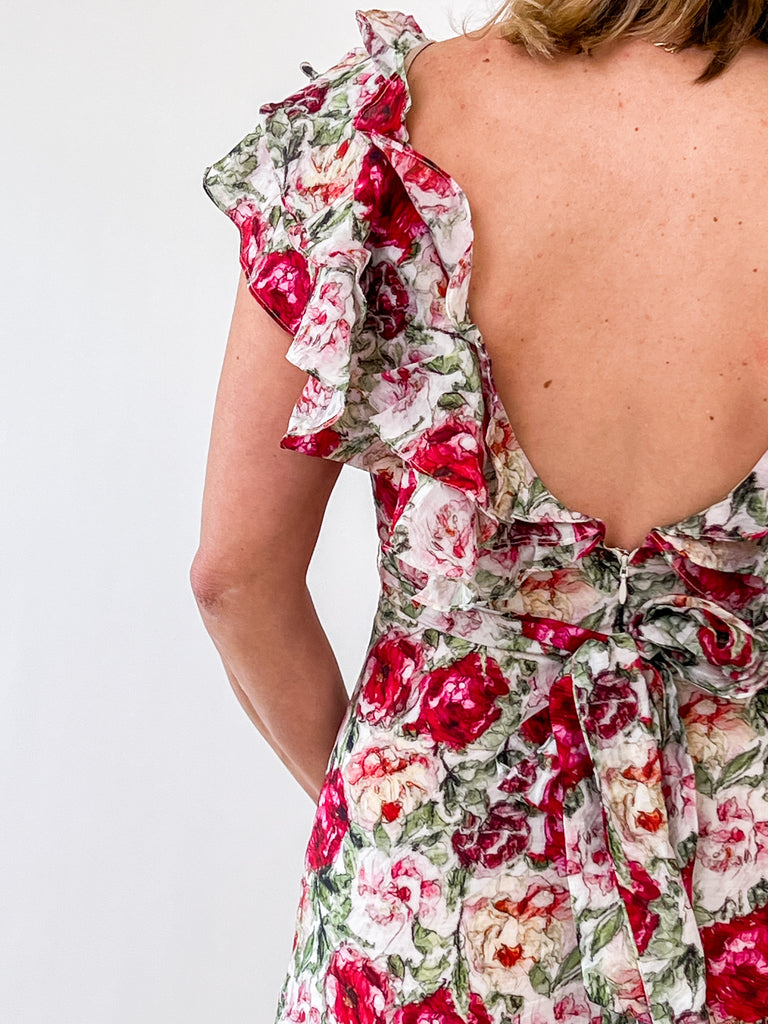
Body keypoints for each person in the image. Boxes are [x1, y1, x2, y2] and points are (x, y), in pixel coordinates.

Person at [191, 5, 768, 1022]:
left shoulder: (380, 130)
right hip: (739, 904)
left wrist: (383, 793)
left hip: (429, 920)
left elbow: (234, 575)